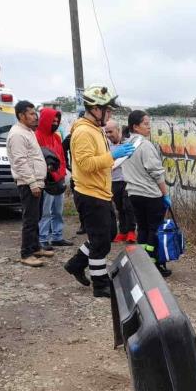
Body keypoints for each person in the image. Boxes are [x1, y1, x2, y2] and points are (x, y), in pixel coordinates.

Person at [63, 85, 135, 297]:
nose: (110, 114)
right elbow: (86, 164)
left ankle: (76, 264)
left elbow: (99, 162)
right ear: (95, 109)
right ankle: (100, 284)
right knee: (101, 241)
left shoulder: (95, 129)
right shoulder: (84, 132)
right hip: (89, 193)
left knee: (108, 234)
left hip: (100, 192)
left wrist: (117, 157)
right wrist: (113, 155)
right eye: (108, 110)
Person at [121, 110, 172, 278]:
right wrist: (165, 194)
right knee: (154, 230)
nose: (149, 127)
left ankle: (142, 262)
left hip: (133, 194)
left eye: (149, 123)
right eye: (145, 124)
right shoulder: (146, 146)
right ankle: (154, 264)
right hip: (150, 195)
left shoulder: (126, 145)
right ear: (135, 126)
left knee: (142, 228)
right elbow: (156, 172)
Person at [6, 100, 53, 267]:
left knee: (37, 216)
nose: (35, 117)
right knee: (30, 218)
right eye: (31, 114)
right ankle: (26, 253)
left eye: (35, 113)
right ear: (21, 115)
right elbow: (20, 162)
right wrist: (32, 183)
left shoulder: (28, 131)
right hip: (28, 183)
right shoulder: (18, 134)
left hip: (36, 181)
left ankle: (35, 247)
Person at [36, 108, 73, 249]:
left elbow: (62, 157)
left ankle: (57, 236)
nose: (55, 123)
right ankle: (43, 238)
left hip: (59, 179)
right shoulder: (37, 136)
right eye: (53, 120)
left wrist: (62, 173)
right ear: (45, 120)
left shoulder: (56, 137)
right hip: (46, 180)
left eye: (57, 121)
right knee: (45, 212)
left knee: (58, 210)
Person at [104, 120, 137, 243]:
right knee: (119, 207)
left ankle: (131, 231)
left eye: (110, 131)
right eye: (106, 132)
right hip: (114, 180)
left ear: (118, 130)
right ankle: (123, 231)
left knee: (128, 206)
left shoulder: (127, 143)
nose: (108, 134)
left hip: (128, 180)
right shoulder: (106, 145)